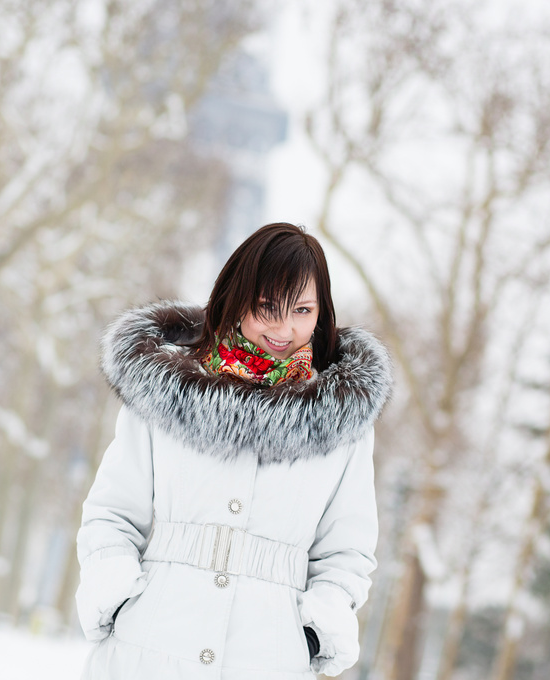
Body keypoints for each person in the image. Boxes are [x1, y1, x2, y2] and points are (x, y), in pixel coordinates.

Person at [75, 222, 393, 679]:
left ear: (322, 313)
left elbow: (346, 551)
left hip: (268, 660)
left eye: (302, 310)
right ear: (237, 296)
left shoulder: (342, 421)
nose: (285, 329)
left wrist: (315, 630)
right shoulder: (164, 393)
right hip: (146, 651)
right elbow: (112, 513)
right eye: (268, 308)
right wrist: (116, 592)